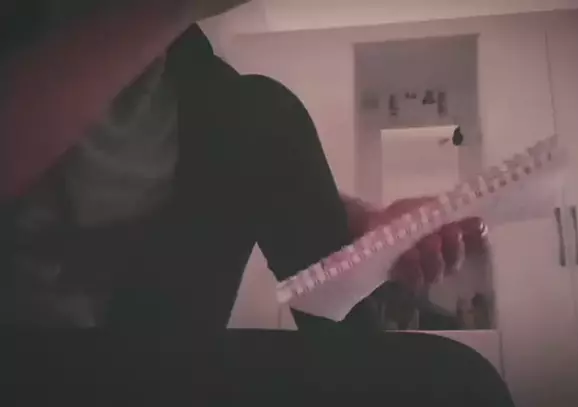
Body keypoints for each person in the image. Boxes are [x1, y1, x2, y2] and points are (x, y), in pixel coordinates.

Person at [1, 0, 486, 331]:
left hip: (151, 336)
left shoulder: (192, 73)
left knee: (264, 111)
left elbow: (255, 164)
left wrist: (366, 227)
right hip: (31, 347)